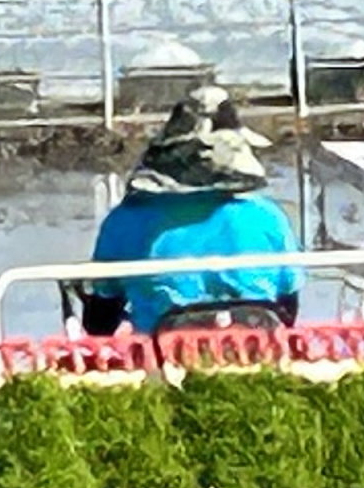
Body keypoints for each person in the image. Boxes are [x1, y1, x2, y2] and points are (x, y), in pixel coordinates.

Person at [81, 85, 303, 336]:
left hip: (162, 359)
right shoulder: (267, 217)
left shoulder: (124, 220)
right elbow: (287, 309)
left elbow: (100, 321)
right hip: (254, 354)